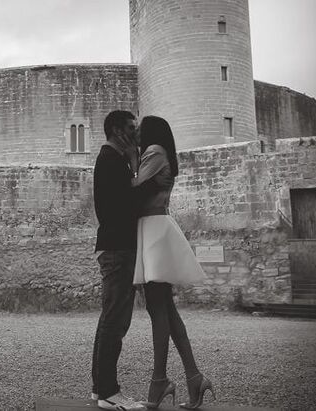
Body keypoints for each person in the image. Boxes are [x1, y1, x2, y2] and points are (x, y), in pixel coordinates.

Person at [131, 115, 214, 410]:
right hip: (157, 227)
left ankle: (159, 381)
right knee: (167, 310)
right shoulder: (162, 152)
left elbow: (135, 188)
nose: (136, 131)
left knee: (157, 309)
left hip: (153, 229)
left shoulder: (153, 151)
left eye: (140, 127)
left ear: (151, 132)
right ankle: (193, 377)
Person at [91, 110, 171, 411]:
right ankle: (109, 392)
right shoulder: (112, 160)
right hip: (119, 249)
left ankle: (101, 389)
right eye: (131, 128)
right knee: (115, 321)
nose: (137, 134)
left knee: (110, 320)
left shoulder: (113, 159)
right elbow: (125, 204)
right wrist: (154, 183)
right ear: (116, 129)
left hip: (117, 247)